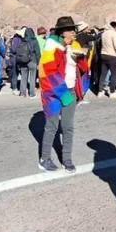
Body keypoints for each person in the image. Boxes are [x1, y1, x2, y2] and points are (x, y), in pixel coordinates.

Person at [38, 16, 90, 173]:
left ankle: (67, 159)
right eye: (71, 30)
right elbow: (47, 73)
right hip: (52, 94)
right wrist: (64, 94)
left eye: (74, 30)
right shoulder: (51, 48)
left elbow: (83, 69)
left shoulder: (74, 45)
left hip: (71, 91)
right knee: (51, 126)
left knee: (68, 127)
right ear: (62, 33)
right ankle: (44, 159)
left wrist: (81, 58)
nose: (74, 33)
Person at [98, 21, 116, 98]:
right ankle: (112, 92)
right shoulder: (114, 34)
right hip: (112, 56)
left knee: (103, 74)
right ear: (115, 27)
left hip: (103, 54)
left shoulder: (104, 33)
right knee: (114, 75)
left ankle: (100, 91)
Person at [20, 27, 41, 98]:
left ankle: (22, 93)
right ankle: (32, 94)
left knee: (23, 77)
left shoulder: (22, 40)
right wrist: (38, 62)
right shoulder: (34, 40)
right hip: (32, 60)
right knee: (32, 78)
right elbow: (38, 53)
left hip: (23, 61)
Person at [9, 29, 25, 95]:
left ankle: (14, 87)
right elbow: (14, 49)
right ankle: (15, 88)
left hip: (13, 57)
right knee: (16, 73)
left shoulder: (13, 39)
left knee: (14, 73)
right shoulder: (18, 39)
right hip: (16, 57)